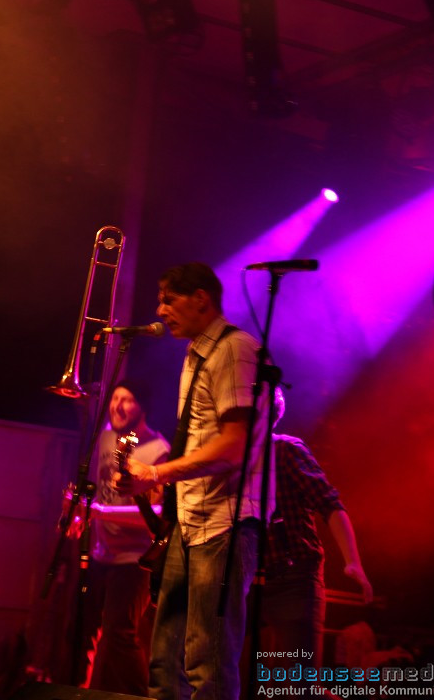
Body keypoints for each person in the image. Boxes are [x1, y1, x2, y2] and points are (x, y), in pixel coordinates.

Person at [116, 261, 272, 700]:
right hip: (191, 521)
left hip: (223, 523)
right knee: (165, 661)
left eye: (169, 298)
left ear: (201, 298)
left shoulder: (235, 350)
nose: (160, 309)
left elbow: (234, 446)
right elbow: (203, 439)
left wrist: (157, 472)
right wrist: (167, 483)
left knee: (209, 663)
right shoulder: (196, 354)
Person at [261, 386, 373, 668]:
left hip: (293, 579)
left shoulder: (286, 450)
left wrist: (352, 562)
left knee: (300, 686)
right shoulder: (230, 459)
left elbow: (330, 504)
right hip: (248, 580)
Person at [77, 381, 170, 695]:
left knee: (120, 634)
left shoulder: (158, 450)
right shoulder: (104, 439)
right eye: (115, 398)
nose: (117, 405)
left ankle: (142, 696)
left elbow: (156, 518)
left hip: (134, 561)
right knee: (82, 631)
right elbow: (94, 489)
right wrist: (79, 514)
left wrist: (98, 512)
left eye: (127, 399)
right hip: (100, 552)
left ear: (142, 406)